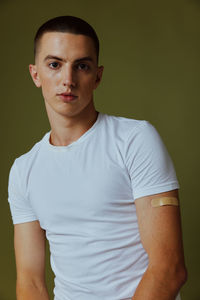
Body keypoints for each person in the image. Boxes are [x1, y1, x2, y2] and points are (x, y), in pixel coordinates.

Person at [7, 15, 187, 300]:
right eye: (55, 64)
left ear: (97, 76)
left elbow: (169, 269)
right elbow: (30, 283)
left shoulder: (135, 139)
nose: (68, 80)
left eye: (82, 66)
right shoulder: (23, 170)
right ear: (35, 74)